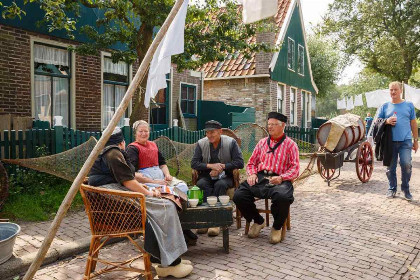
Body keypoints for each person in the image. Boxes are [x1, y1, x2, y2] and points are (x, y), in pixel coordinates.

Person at [88, 127, 193, 278]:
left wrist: (142, 188)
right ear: (122, 142)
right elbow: (127, 181)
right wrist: (148, 192)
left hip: (114, 196)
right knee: (166, 206)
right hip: (112, 203)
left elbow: (123, 179)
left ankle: (168, 258)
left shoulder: (108, 152)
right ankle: (169, 263)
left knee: (167, 201)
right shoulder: (113, 153)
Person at [126, 120, 198, 245]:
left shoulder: (153, 145)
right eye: (140, 131)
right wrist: (154, 181)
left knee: (182, 187)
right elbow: (133, 174)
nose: (143, 134)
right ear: (135, 133)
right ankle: (174, 231)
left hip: (160, 177)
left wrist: (167, 174)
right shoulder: (132, 149)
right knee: (169, 195)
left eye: (146, 131)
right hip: (146, 180)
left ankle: (183, 225)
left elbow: (162, 163)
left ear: (149, 132)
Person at [233, 112, 299, 244]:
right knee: (239, 195)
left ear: (283, 126)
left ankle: (277, 227)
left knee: (282, 197)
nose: (270, 127)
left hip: (280, 179)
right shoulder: (262, 143)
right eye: (269, 124)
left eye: (273, 124)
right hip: (261, 177)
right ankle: (258, 221)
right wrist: (252, 174)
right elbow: (251, 163)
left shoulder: (291, 145)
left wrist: (282, 177)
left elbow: (295, 168)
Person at [191, 120, 244, 236]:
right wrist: (210, 166)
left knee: (220, 185)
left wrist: (222, 167)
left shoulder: (231, 143)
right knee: (202, 184)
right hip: (207, 175)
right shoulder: (201, 143)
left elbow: (240, 163)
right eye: (207, 133)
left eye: (212, 132)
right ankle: (206, 220)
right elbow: (194, 163)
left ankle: (216, 222)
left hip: (226, 175)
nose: (209, 135)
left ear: (220, 132)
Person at [377, 81, 418, 200]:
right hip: (389, 142)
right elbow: (377, 122)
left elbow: (413, 123)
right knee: (390, 168)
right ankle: (392, 189)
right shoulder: (385, 106)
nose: (393, 92)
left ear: (401, 91)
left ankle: (405, 189)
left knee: (406, 164)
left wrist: (415, 140)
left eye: (395, 89)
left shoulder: (409, 105)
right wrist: (386, 121)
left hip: (405, 141)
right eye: (391, 90)